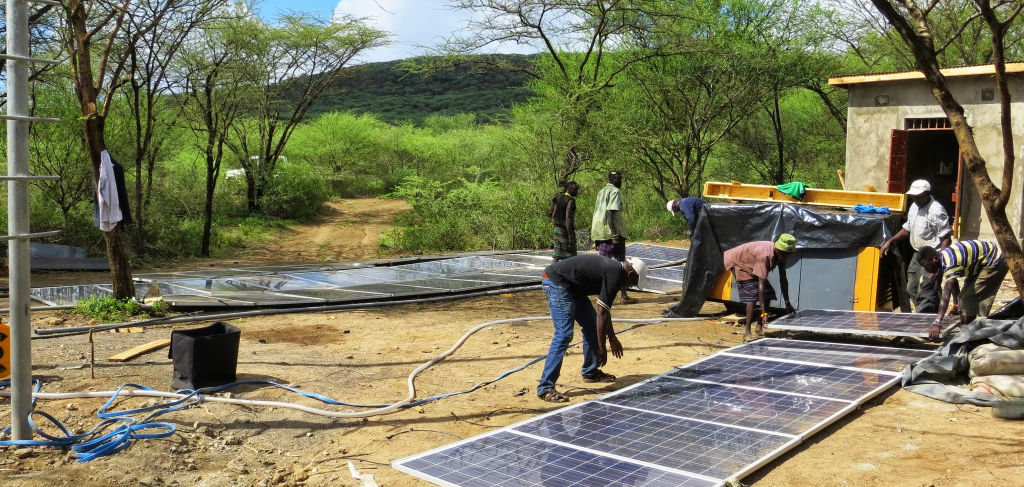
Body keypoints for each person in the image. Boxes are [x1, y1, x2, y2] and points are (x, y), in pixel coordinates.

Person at [536, 254, 647, 403]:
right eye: (632, 283)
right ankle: (545, 387)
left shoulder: (615, 271)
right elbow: (602, 313)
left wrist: (612, 338)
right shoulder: (615, 273)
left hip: (572, 287)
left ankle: (590, 372)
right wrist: (602, 346)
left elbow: (604, 312)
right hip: (556, 282)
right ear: (630, 274)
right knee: (564, 334)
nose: (628, 287)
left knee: (591, 325)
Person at [879, 179, 952, 313]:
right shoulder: (914, 207)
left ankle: (928, 317)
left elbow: (946, 238)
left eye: (918, 196)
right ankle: (930, 310)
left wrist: (941, 262)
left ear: (927, 193)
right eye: (913, 196)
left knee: (928, 289)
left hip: (932, 256)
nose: (915, 199)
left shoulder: (936, 210)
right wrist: (891, 241)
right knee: (911, 288)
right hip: (918, 254)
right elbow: (907, 229)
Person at [917, 240, 1008, 339]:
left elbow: (946, 294)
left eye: (926, 265)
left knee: (967, 300)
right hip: (982, 263)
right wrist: (956, 305)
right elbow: (954, 283)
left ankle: (969, 336)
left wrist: (937, 322)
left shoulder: (950, 264)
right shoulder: (942, 258)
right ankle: (970, 332)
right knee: (963, 300)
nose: (926, 270)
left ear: (934, 259)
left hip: (995, 261)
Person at [722, 234, 798, 340]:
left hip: (752, 263)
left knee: (769, 293)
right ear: (779, 250)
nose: (787, 257)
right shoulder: (764, 256)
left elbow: (783, 279)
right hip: (739, 262)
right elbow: (760, 286)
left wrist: (787, 303)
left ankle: (759, 326)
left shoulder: (781, 256)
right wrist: (764, 313)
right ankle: (747, 332)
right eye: (786, 254)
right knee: (752, 294)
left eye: (789, 254)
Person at [591, 170, 636, 304]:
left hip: (600, 231)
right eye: (617, 179)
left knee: (603, 265)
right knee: (621, 263)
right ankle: (623, 296)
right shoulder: (615, 192)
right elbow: (610, 213)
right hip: (611, 233)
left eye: (620, 179)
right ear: (612, 180)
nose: (619, 181)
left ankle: (603, 296)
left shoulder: (602, 191)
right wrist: (615, 233)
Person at [549, 181, 579, 262]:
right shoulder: (570, 200)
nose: (577, 192)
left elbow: (552, 214)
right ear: (570, 190)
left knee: (557, 255)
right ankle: (569, 274)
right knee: (570, 255)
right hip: (564, 230)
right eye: (576, 190)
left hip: (557, 229)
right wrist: (570, 236)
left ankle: (550, 273)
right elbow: (568, 218)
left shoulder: (558, 198)